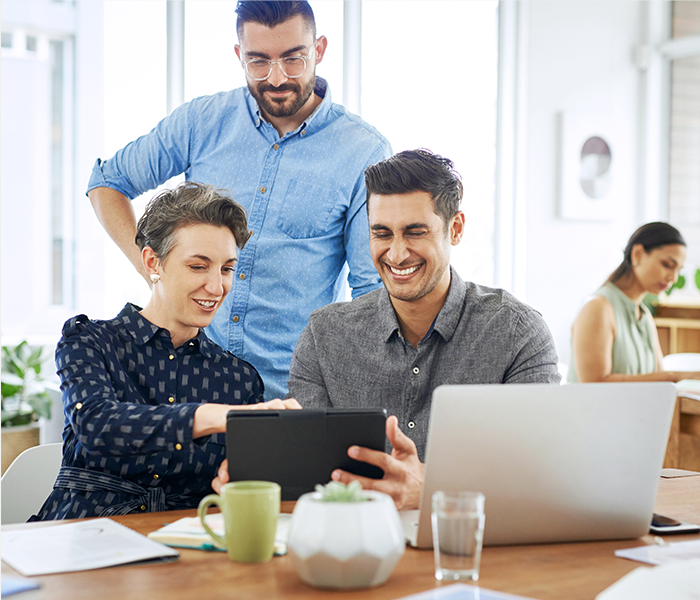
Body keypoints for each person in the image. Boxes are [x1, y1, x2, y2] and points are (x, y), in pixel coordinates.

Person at [86, 1, 391, 400]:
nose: (277, 78)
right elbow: (107, 182)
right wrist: (157, 274)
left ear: (319, 50)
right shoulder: (202, 121)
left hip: (286, 396)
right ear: (238, 56)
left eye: (293, 59)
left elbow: (369, 292)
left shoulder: (363, 151)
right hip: (182, 385)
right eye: (258, 61)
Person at [267, 149, 558, 510]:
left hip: (475, 548)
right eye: (382, 234)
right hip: (357, 545)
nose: (397, 253)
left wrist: (432, 493)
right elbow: (309, 476)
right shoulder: (324, 336)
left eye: (415, 232)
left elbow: (540, 473)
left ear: (455, 229)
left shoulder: (518, 332)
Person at [33, 182, 299, 521]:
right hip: (80, 536)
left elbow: (242, 490)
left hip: (186, 553)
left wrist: (237, 482)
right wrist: (212, 416)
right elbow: (97, 425)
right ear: (152, 262)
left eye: (227, 268)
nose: (217, 287)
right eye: (198, 266)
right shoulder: (89, 342)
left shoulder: (239, 380)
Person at [569, 222, 700, 383]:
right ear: (637, 254)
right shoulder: (598, 307)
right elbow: (594, 385)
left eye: (678, 270)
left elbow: (660, 383)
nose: (673, 278)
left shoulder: (644, 317)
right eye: (667, 265)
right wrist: (674, 376)